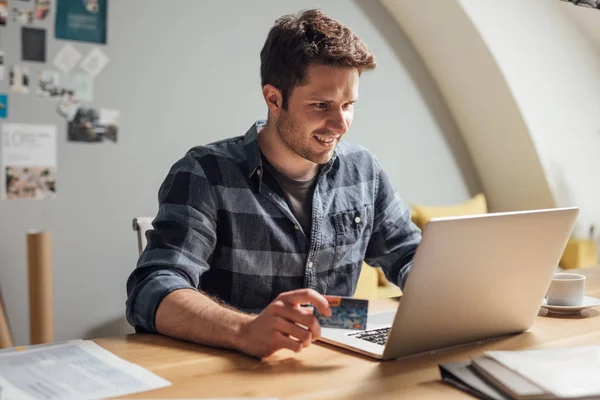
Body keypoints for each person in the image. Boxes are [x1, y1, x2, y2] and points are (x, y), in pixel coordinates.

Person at [126, 9, 421, 358]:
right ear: (274, 99)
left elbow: (410, 255)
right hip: (235, 366)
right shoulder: (205, 172)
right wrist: (245, 329)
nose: (340, 124)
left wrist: (453, 296)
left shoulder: (363, 171)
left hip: (338, 357)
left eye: (348, 105)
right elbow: (151, 289)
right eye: (321, 105)